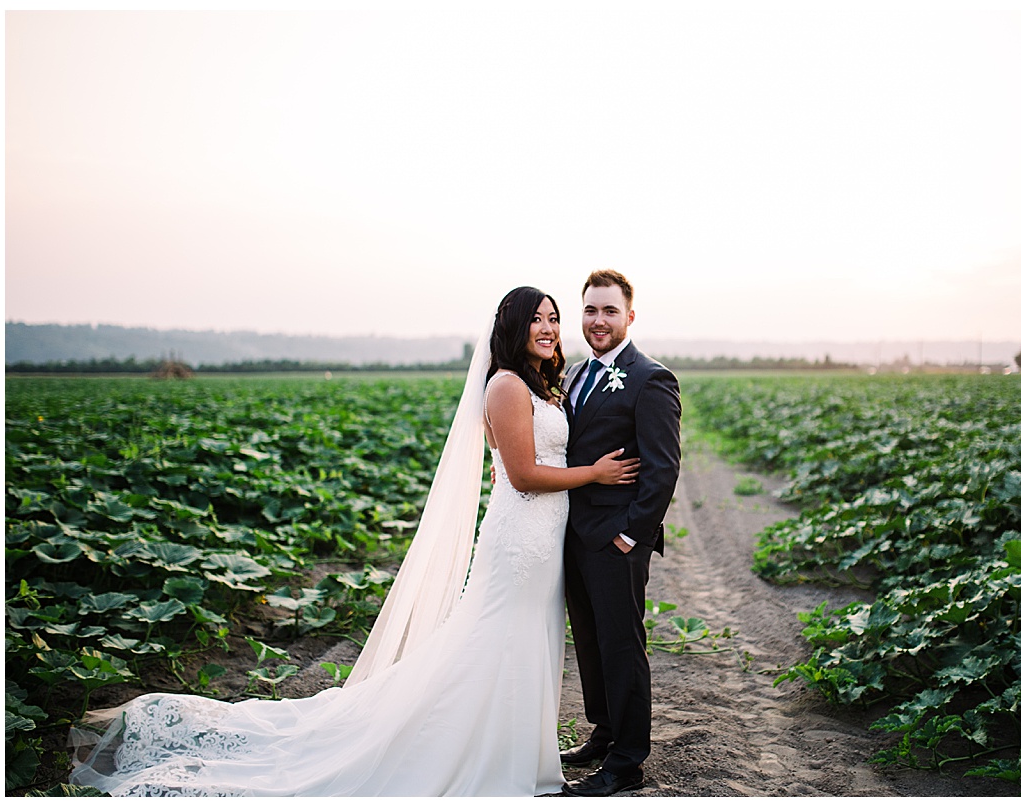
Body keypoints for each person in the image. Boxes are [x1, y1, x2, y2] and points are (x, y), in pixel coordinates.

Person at [68, 286, 639, 797]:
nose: (548, 327)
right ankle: (484, 753)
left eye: (553, 318)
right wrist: (595, 474)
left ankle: (522, 751)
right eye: (537, 319)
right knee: (496, 640)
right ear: (513, 328)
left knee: (527, 641)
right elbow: (522, 474)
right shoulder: (507, 385)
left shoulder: (544, 383)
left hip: (543, 538)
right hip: (520, 539)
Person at [558, 270, 682, 797]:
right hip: (573, 535)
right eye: (590, 310)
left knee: (622, 645)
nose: (598, 320)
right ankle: (603, 733)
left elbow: (662, 469)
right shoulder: (575, 374)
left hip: (615, 540)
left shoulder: (650, 378)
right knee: (589, 641)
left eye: (609, 310)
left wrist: (631, 536)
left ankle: (628, 759)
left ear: (630, 316)